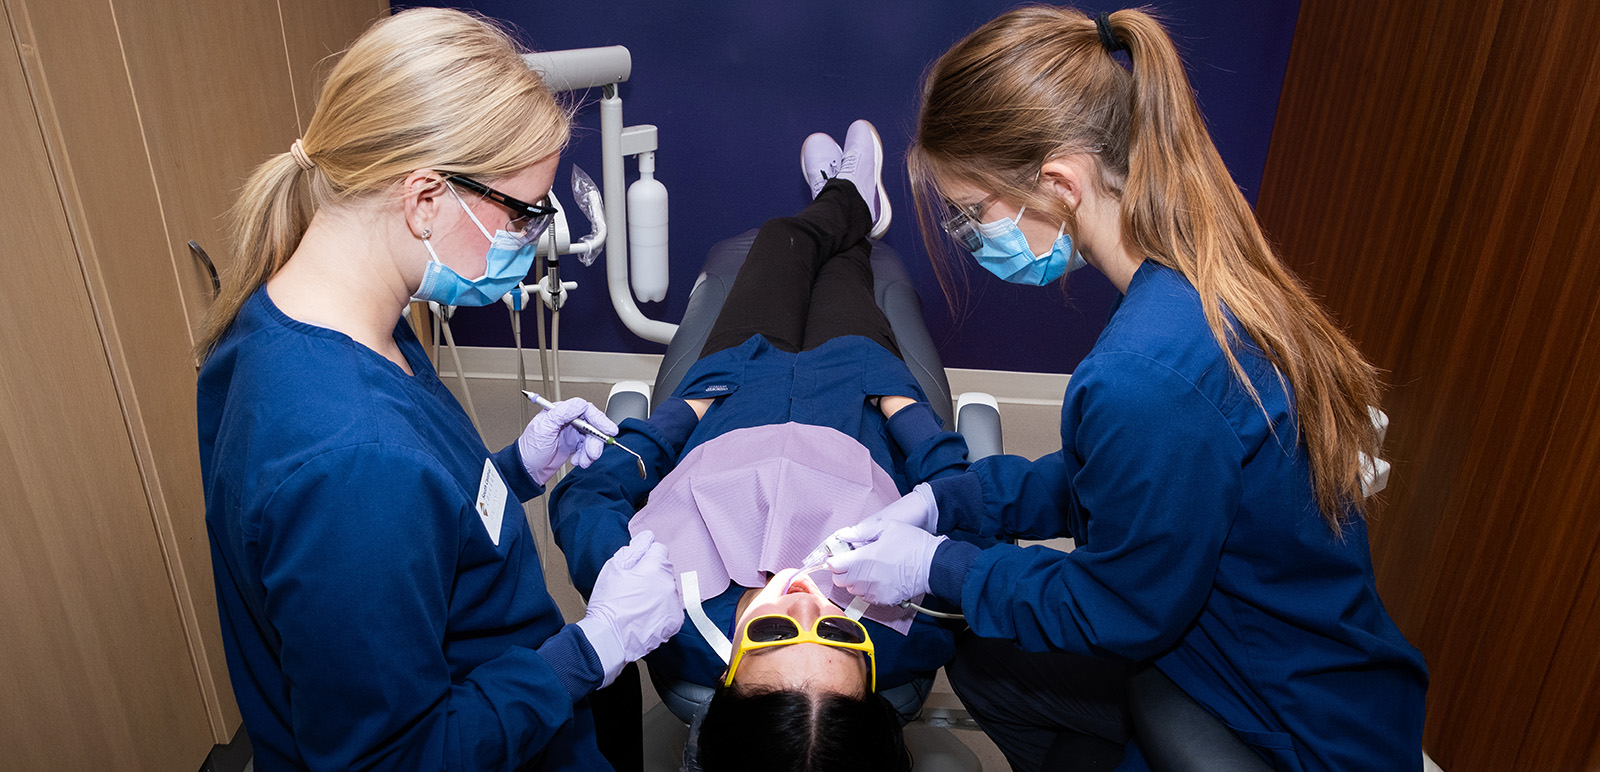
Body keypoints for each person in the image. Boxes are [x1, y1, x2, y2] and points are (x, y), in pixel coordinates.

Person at [820, 7, 1429, 772]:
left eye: (974, 213)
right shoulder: (1199, 264)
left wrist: (934, 567)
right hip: (1325, 665)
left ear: (1059, 182)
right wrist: (957, 502)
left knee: (987, 625)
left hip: (1291, 727)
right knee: (989, 651)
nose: (970, 239)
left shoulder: (1142, 372)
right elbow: (1124, 484)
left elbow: (1115, 608)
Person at [195, 9, 681, 770]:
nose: (533, 238)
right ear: (425, 199)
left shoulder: (308, 315)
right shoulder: (350, 466)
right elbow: (400, 757)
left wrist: (513, 467)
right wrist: (596, 645)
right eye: (523, 215)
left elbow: (412, 520)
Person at [548, 121, 972, 772]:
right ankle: (853, 201)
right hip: (854, 390)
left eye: (773, 633)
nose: (803, 601)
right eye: (838, 633)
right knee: (843, 269)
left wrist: (686, 408)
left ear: (725, 687)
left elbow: (587, 494)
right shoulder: (919, 631)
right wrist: (900, 402)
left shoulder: (656, 613)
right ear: (869, 679)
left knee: (783, 240)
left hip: (734, 384)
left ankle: (845, 198)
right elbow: (967, 503)